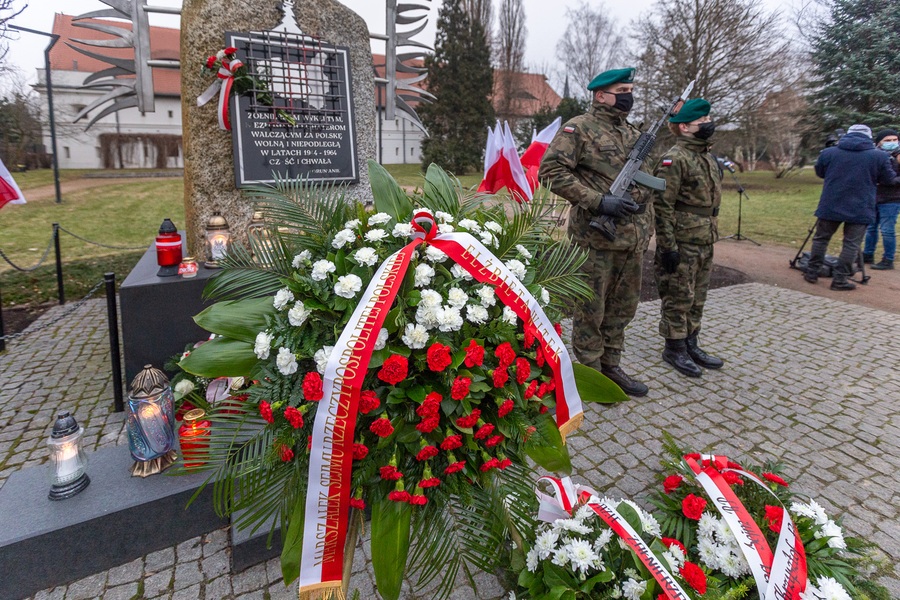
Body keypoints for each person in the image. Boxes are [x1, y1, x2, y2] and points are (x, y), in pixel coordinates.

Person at [538, 67, 653, 397]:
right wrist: (599, 201)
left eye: (631, 89)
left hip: (632, 239)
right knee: (591, 308)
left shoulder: (632, 133)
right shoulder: (580, 128)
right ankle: (588, 374)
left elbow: (647, 183)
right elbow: (551, 171)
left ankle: (611, 366)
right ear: (601, 95)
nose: (628, 95)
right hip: (595, 238)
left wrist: (647, 228)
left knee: (623, 307)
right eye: (622, 89)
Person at [651, 98, 724, 378]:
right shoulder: (675, 158)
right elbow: (663, 205)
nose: (708, 124)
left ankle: (692, 343)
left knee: (698, 296)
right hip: (683, 240)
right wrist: (668, 246)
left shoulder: (706, 156)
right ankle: (674, 347)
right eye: (702, 121)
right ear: (684, 127)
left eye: (708, 119)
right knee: (679, 296)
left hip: (705, 238)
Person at [806, 124, 900, 290]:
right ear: (870, 137)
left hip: (831, 204)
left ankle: (812, 272)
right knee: (851, 244)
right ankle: (839, 280)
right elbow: (889, 180)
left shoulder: (829, 153)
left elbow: (820, 172)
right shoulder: (878, 156)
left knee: (821, 239)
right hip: (861, 206)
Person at [862, 129, 900, 270]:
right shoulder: (875, 155)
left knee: (887, 230)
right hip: (874, 196)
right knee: (871, 228)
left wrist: (889, 181)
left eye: (894, 140)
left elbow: (891, 178)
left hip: (892, 198)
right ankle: (867, 254)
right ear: (879, 143)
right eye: (887, 140)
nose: (892, 143)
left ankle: (888, 259)